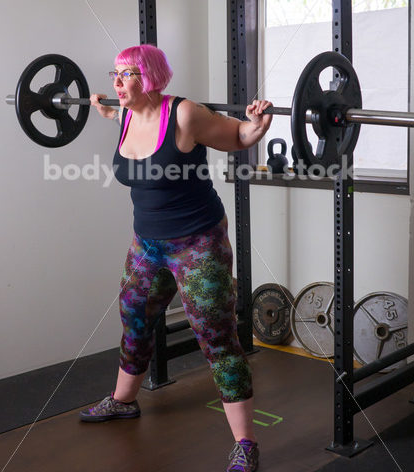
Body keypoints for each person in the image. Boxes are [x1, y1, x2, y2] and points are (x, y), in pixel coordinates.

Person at [81, 44, 272, 472]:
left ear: (148, 76)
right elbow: (116, 114)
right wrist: (103, 109)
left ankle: (246, 442)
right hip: (146, 244)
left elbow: (238, 137)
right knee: (133, 315)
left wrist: (256, 124)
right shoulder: (127, 113)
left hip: (197, 244)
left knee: (216, 336)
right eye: (113, 73)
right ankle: (124, 400)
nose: (115, 82)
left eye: (125, 74)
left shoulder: (186, 115)